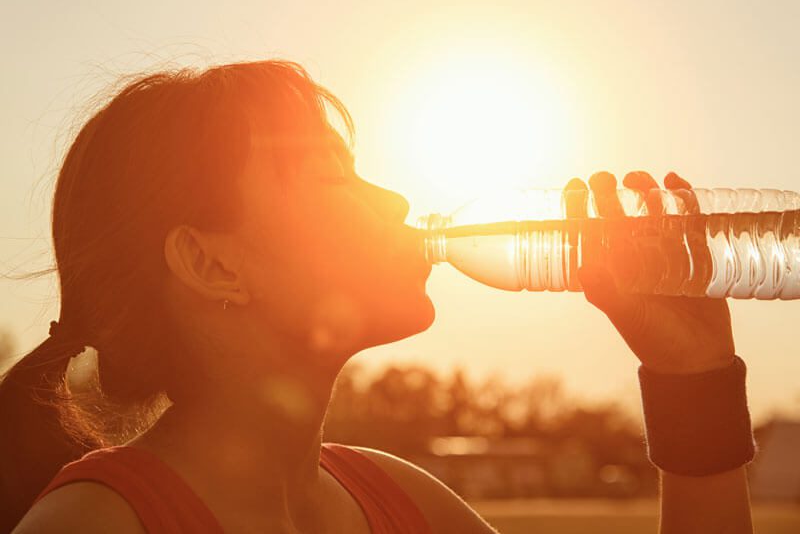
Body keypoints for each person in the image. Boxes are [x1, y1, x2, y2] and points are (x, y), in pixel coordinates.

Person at [0, 60, 754, 533]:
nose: (394, 200)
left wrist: (691, 378)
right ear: (210, 262)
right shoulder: (93, 525)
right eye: (334, 177)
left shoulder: (399, 501)